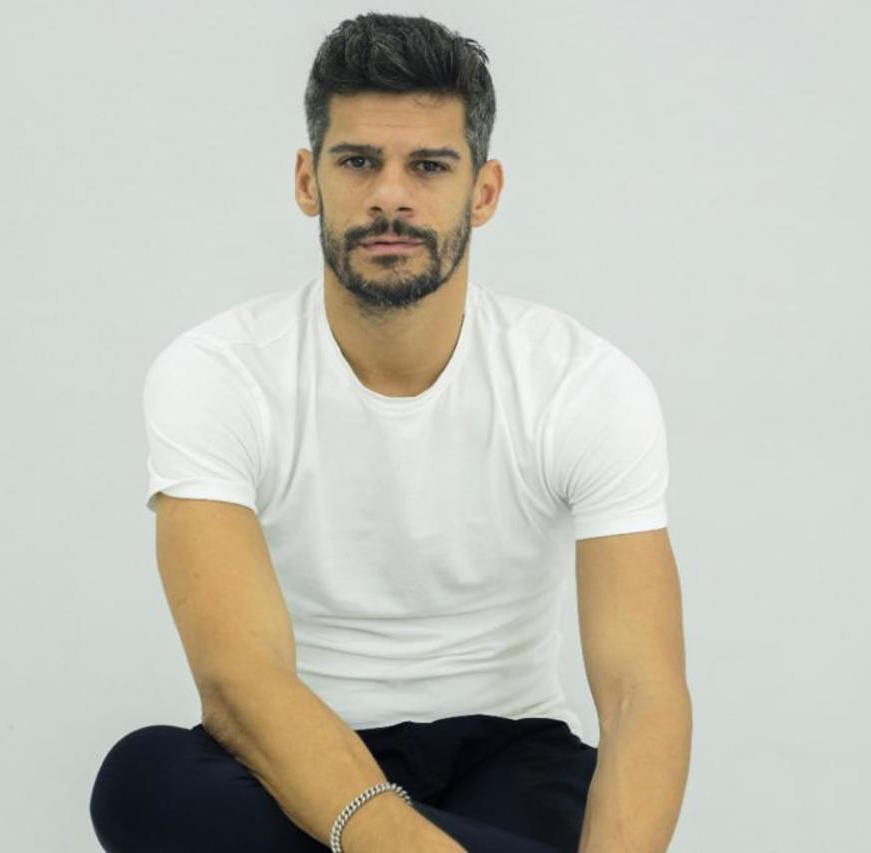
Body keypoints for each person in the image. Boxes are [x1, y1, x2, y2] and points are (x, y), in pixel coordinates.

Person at [90, 12, 691, 853]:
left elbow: (640, 693)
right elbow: (239, 680)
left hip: (511, 752)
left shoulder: (580, 383)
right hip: (295, 751)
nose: (390, 196)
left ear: (484, 192)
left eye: (429, 166)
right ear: (308, 181)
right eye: (358, 161)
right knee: (143, 778)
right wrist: (391, 838)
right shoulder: (218, 372)